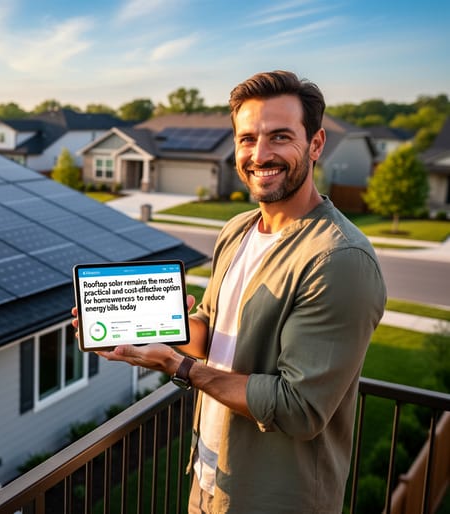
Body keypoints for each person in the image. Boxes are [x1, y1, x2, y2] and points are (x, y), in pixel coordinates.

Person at [72, 70, 386, 513]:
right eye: (247, 139)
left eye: (280, 137)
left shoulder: (339, 259)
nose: (260, 154)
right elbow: (212, 335)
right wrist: (152, 325)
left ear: (316, 144)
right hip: (208, 481)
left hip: (273, 500)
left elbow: (299, 409)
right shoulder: (238, 230)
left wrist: (177, 366)